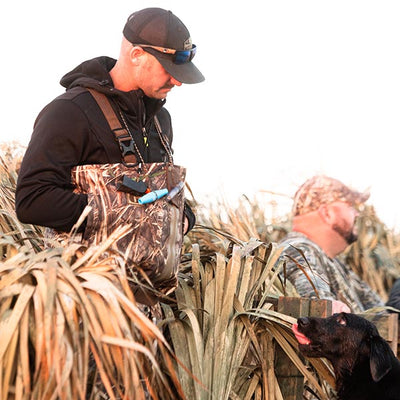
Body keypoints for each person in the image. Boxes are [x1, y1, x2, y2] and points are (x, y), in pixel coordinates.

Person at [15, 7, 204, 304]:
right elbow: (32, 201)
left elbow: (160, 197)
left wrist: (182, 216)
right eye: (169, 70)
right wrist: (128, 213)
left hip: (147, 311)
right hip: (85, 309)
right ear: (137, 54)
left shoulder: (160, 120)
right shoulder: (70, 111)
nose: (177, 82)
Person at [278, 175, 400, 314]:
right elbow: (324, 324)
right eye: (350, 206)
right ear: (327, 213)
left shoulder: (331, 261)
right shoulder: (298, 253)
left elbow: (382, 316)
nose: (357, 214)